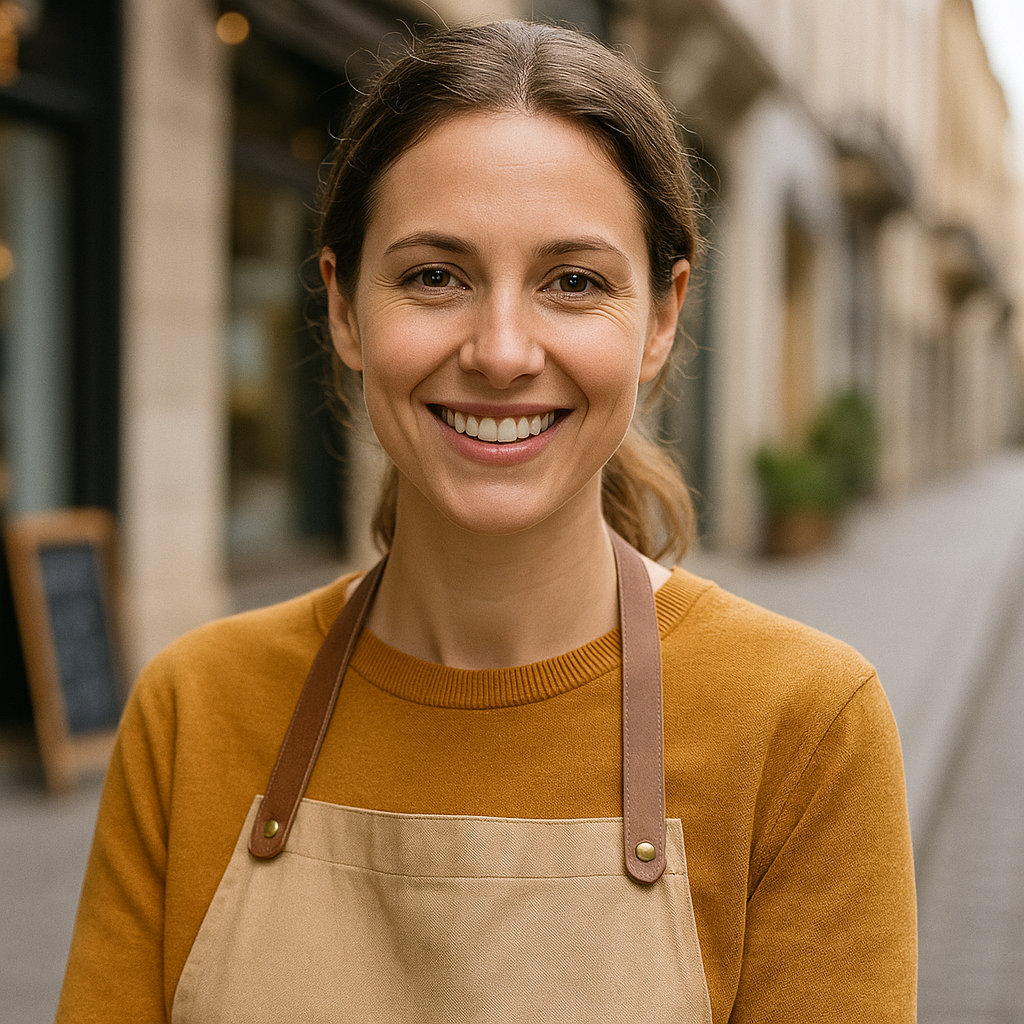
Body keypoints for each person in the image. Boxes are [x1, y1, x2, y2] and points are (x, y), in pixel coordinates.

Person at [56, 20, 916, 1023]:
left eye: (573, 282)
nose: (501, 350)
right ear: (342, 308)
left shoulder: (804, 727)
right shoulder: (191, 712)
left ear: (663, 316)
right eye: (434, 275)